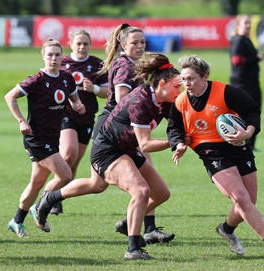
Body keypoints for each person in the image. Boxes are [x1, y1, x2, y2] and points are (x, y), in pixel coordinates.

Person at [34, 53, 182, 260]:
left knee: (160, 193)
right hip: (107, 150)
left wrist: (185, 136)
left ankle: (51, 198)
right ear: (163, 84)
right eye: (177, 86)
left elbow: (177, 125)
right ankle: (133, 249)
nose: (180, 90)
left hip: (125, 148)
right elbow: (146, 144)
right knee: (140, 191)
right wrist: (174, 143)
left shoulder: (165, 100)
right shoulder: (141, 101)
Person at [167, 55, 264, 261]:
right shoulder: (180, 101)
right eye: (184, 79)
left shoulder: (226, 92)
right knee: (240, 198)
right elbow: (174, 128)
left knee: (248, 201)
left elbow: (252, 110)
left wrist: (247, 133)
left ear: (205, 76)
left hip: (238, 146)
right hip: (211, 153)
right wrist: (178, 143)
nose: (187, 84)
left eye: (192, 79)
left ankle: (226, 229)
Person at [96, 23, 175, 244]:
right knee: (131, 186)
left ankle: (142, 227)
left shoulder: (135, 64)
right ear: (123, 44)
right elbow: (123, 102)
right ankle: (52, 198)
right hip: (117, 129)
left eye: (143, 42)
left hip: (131, 127)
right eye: (135, 43)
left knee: (149, 186)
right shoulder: (124, 66)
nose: (140, 46)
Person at [5, 38, 85, 238]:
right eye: (50, 54)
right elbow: (10, 97)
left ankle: (16, 220)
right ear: (43, 56)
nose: (54, 58)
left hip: (52, 138)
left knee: (37, 182)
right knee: (65, 175)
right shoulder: (36, 80)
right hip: (36, 139)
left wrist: (78, 105)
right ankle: (40, 207)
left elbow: (74, 96)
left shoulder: (66, 78)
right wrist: (21, 121)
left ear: (62, 56)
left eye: (58, 54)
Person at [48, 29, 109, 215]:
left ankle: (58, 198)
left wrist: (95, 88)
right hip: (65, 115)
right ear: (71, 44)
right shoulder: (63, 62)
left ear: (90, 45)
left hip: (87, 117)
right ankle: (48, 196)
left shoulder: (97, 64)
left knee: (73, 164)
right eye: (78, 43)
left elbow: (109, 92)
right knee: (68, 153)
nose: (82, 47)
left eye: (85, 43)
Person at [229, 15, 264, 151]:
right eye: (245, 23)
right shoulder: (239, 40)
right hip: (242, 83)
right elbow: (237, 61)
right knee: (245, 112)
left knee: (254, 110)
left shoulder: (246, 40)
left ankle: (249, 143)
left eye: (249, 23)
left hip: (251, 82)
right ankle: (242, 142)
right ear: (238, 25)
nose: (249, 25)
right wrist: (256, 58)